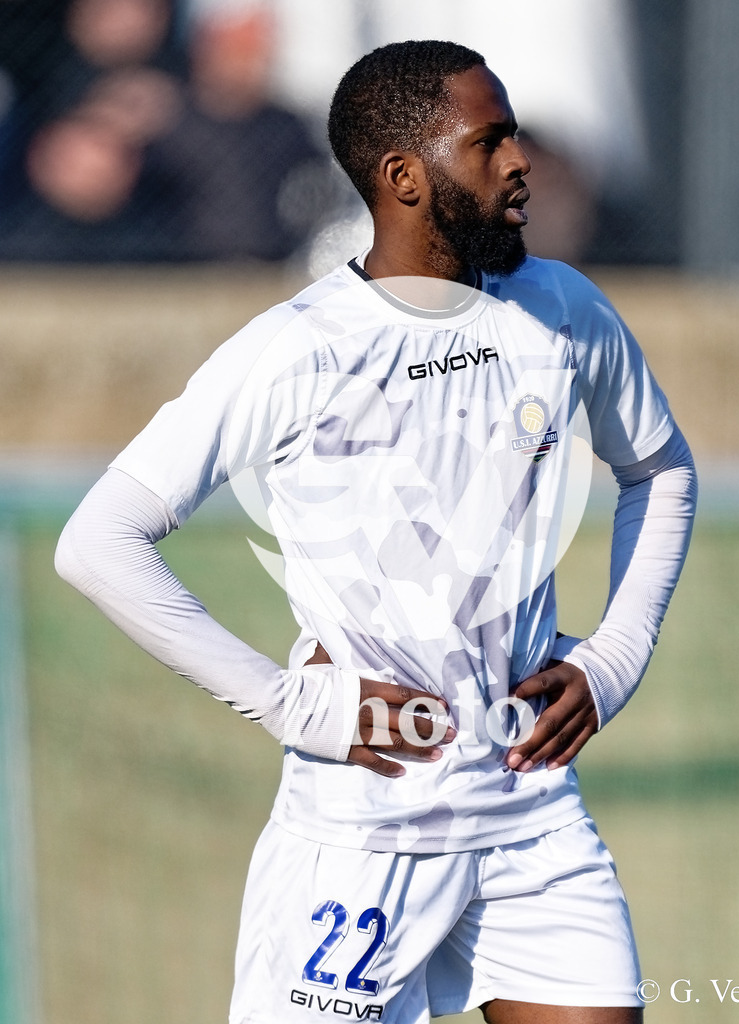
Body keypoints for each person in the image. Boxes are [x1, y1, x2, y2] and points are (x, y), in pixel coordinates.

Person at [55, 40, 697, 1024]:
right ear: (402, 177)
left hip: (531, 816)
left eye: (515, 135)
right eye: (489, 144)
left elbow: (660, 469)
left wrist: (614, 655)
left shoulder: (564, 310)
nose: (521, 161)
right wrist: (284, 702)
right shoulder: (297, 350)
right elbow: (100, 540)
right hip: (361, 830)